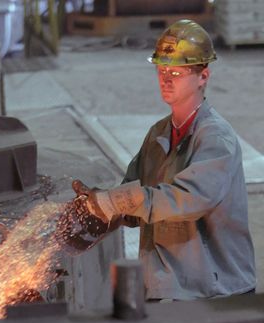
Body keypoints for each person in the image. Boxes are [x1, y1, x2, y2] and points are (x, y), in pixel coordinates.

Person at [72, 19, 256, 301]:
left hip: (213, 293)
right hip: (165, 287)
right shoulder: (158, 134)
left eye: (176, 72)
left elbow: (188, 199)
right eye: (161, 69)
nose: (166, 78)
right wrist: (99, 209)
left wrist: (121, 201)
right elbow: (134, 197)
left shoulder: (217, 140)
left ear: (203, 76)